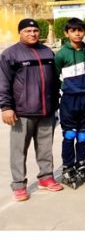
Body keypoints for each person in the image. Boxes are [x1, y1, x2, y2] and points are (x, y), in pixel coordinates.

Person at [0, 18, 62, 201]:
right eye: (28, 31)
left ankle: (46, 177)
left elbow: (56, 79)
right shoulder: (10, 54)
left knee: (45, 147)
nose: (32, 34)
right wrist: (6, 107)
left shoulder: (47, 52)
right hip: (22, 112)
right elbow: (3, 83)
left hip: (46, 110)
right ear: (20, 33)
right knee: (19, 150)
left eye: (35, 31)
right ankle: (19, 184)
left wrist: (56, 103)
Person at [54, 17, 85, 189]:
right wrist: (63, 91)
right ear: (67, 33)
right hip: (70, 99)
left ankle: (81, 164)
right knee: (70, 134)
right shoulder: (61, 54)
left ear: (84, 32)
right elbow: (55, 77)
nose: (77, 33)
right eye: (73, 30)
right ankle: (68, 167)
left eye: (80, 30)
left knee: (83, 134)